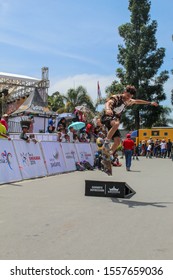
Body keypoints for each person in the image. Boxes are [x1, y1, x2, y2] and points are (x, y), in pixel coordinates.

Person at [101, 85, 158, 155]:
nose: (128, 98)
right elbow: (108, 102)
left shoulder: (128, 101)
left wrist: (149, 103)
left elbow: (137, 101)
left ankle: (108, 155)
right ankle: (106, 142)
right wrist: (107, 109)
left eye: (130, 97)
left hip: (114, 121)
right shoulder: (117, 97)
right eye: (127, 95)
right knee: (116, 123)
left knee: (117, 141)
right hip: (107, 116)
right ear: (124, 92)